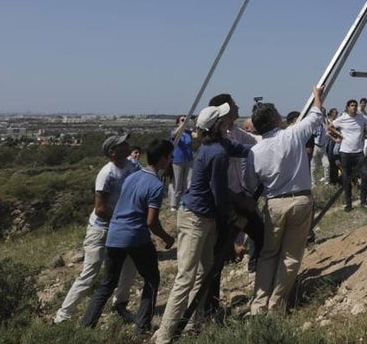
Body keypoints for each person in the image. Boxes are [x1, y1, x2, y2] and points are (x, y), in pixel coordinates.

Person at [153, 102, 252, 344]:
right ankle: (164, 335)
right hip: (194, 218)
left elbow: (243, 149)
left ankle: (192, 324)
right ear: (218, 125)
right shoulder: (216, 153)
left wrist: (268, 145)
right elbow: (219, 193)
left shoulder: (219, 145)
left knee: (203, 273)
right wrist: (234, 217)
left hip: (205, 217)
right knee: (186, 276)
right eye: (222, 118)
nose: (227, 119)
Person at [243, 86, 326, 314]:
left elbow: (250, 184)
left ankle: (259, 305)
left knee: (268, 254)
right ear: (274, 119)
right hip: (300, 201)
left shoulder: (255, 152)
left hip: (274, 204)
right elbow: (316, 116)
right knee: (290, 256)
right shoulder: (292, 135)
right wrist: (317, 96)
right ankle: (276, 305)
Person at [82, 139, 175, 333]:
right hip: (136, 236)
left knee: (107, 284)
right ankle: (142, 327)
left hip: (114, 234)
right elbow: (151, 222)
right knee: (152, 279)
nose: (171, 161)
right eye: (170, 157)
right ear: (163, 159)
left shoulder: (132, 177)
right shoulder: (156, 185)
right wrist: (167, 238)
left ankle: (86, 327)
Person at [54, 132, 139, 324]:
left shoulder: (132, 165)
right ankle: (63, 315)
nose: (127, 146)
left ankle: (120, 304)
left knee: (129, 266)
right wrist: (124, 219)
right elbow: (100, 209)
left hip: (122, 225)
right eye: (122, 144)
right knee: (90, 272)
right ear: (112, 152)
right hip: (102, 229)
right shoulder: (107, 174)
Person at [328, 99, 367, 210]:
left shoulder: (361, 117)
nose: (354, 107)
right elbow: (330, 127)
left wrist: (365, 133)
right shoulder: (343, 118)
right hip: (345, 152)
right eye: (352, 105)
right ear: (347, 107)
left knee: (365, 174)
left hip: (358, 152)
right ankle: (348, 204)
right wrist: (339, 135)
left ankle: (363, 201)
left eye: (355, 105)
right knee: (347, 178)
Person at [170, 116, 194, 210]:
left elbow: (197, 135)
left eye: (185, 119)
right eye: (182, 120)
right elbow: (174, 135)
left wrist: (195, 123)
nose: (185, 121)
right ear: (177, 122)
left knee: (188, 182)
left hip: (189, 160)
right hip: (178, 160)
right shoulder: (174, 131)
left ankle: (184, 202)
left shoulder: (188, 133)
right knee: (178, 183)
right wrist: (182, 125)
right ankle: (175, 203)